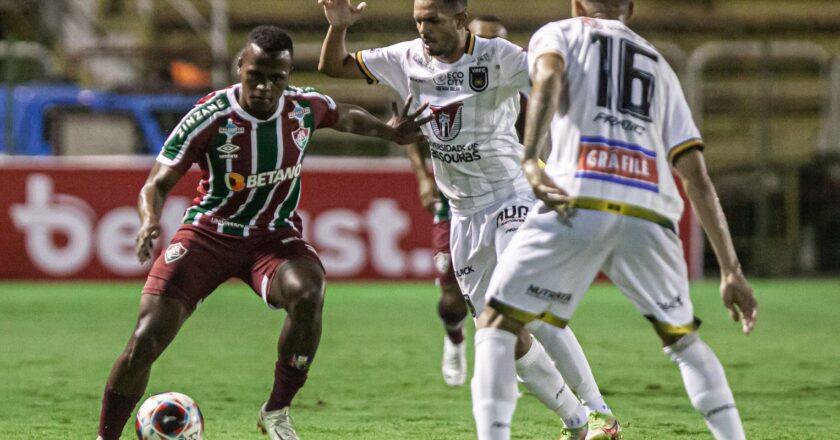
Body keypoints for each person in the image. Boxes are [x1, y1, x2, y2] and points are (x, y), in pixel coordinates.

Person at [96, 25, 430, 440]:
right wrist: (149, 220)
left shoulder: (301, 107)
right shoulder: (211, 115)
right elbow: (156, 183)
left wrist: (389, 130)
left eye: (277, 78)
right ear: (241, 69)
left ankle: (276, 411)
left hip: (273, 237)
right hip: (209, 235)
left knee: (309, 291)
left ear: (287, 76)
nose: (266, 87)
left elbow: (345, 115)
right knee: (145, 339)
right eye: (257, 76)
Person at [317, 0, 619, 437]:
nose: (423, 28)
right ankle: (578, 422)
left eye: (433, 20)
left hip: (511, 195)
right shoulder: (407, 58)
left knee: (520, 306)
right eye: (418, 20)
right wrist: (338, 27)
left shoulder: (498, 56)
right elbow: (334, 66)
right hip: (462, 211)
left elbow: (557, 86)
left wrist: (551, 155)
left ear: (460, 20)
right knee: (499, 333)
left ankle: (599, 409)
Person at [472, 1, 759, 439]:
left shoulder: (559, 33)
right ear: (630, 8)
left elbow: (547, 78)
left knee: (496, 324)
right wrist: (731, 270)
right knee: (684, 343)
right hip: (650, 209)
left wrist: (529, 158)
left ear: (577, 3)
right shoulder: (659, 63)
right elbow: (695, 174)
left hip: (579, 196)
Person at [403, 14, 513, 388]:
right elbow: (411, 129)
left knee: (512, 284)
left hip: (503, 196)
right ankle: (454, 338)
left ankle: (507, 360)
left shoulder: (512, 86)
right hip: (454, 202)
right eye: (481, 41)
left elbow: (535, 136)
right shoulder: (433, 78)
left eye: (496, 44)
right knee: (452, 295)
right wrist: (422, 175)